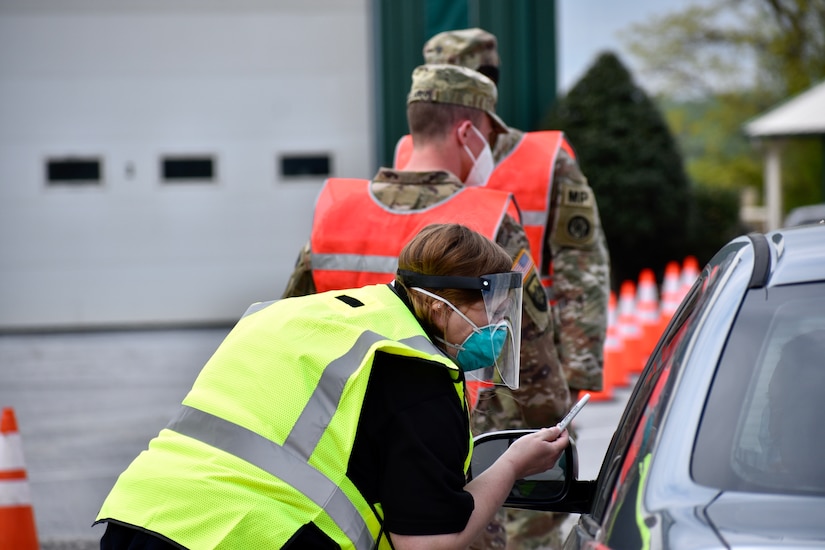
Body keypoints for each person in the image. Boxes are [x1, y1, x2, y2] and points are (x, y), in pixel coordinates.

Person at [94, 222, 571, 549]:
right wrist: (512, 464)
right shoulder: (417, 371)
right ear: (442, 305)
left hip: (140, 516)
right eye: (491, 308)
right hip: (247, 536)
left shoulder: (303, 314)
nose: (500, 326)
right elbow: (427, 541)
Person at [392, 28, 612, 550]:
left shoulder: (544, 157)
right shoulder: (417, 151)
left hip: (511, 368)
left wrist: (575, 378)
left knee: (515, 516)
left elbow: (583, 265)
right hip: (447, 369)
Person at [281, 62, 571, 421]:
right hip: (446, 433)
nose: (491, 150)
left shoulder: (335, 212)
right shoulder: (490, 220)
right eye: (488, 137)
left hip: (342, 428)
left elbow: (290, 333)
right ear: (466, 133)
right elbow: (531, 357)